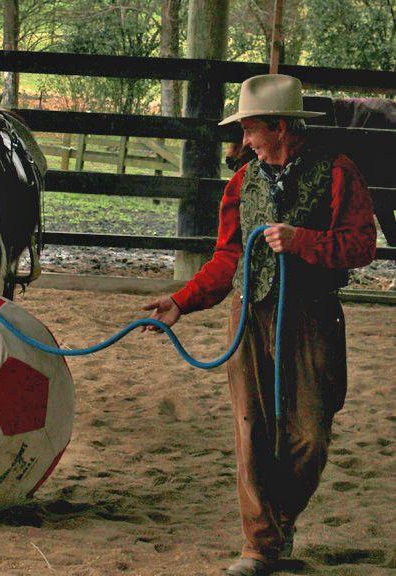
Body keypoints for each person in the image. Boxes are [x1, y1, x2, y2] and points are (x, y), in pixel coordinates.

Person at [142, 74, 376, 576]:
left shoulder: (338, 173)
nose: (244, 141)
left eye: (250, 130)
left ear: (282, 126)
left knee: (309, 434)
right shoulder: (242, 183)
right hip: (250, 313)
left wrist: (303, 242)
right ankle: (260, 546)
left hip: (312, 314)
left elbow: (362, 246)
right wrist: (183, 301)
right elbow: (228, 255)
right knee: (252, 429)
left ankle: (279, 520)